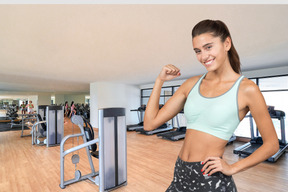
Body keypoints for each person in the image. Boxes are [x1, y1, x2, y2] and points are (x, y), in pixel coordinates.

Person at [143, 19, 279, 192]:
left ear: (227, 43)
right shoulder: (191, 84)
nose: (203, 56)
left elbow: (272, 144)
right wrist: (159, 81)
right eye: (198, 51)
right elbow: (150, 124)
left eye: (209, 47)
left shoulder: (247, 90)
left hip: (209, 178)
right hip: (181, 172)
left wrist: (233, 168)